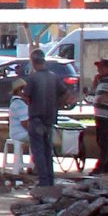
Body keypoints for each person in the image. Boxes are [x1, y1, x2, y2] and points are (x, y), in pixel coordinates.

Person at [21, 48, 68, 187]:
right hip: (49, 118)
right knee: (48, 150)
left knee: (39, 151)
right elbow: (66, 94)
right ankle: (50, 180)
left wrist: (22, 96)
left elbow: (27, 97)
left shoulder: (33, 78)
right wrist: (56, 105)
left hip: (36, 118)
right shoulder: (53, 77)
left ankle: (43, 181)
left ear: (33, 62)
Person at [4, 84, 33, 186]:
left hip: (16, 133)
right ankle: (37, 166)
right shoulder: (19, 104)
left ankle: (33, 164)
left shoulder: (17, 102)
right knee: (41, 139)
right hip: (21, 134)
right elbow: (25, 123)